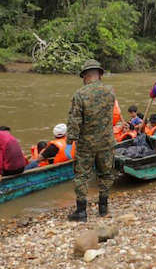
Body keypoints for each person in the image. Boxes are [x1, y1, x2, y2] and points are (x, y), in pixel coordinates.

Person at [67, 60, 116, 221]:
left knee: (82, 175)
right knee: (106, 173)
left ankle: (81, 211)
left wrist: (70, 141)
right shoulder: (110, 91)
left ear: (84, 76)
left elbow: (75, 121)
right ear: (100, 74)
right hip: (106, 141)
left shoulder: (80, 94)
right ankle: (103, 207)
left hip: (86, 143)